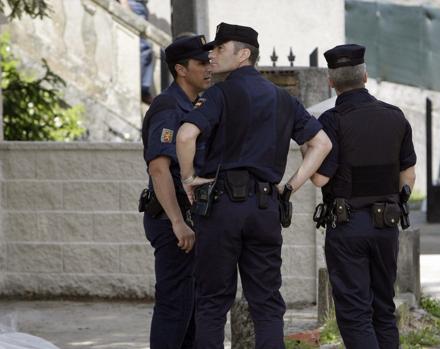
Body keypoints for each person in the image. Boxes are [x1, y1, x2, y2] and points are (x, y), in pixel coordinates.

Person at [175, 22, 332, 349]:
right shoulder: (282, 99)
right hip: (264, 208)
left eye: (219, 49)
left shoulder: (218, 94)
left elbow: (186, 135)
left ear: (243, 54)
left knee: (213, 302)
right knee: (266, 304)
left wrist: (188, 179)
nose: (212, 56)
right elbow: (321, 144)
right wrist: (290, 187)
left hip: (222, 209)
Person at [310, 44, 417, 349]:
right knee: (383, 308)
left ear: (331, 81)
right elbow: (408, 172)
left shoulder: (331, 121)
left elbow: (320, 177)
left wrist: (308, 149)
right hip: (387, 226)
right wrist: (397, 199)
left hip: (348, 228)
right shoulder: (395, 116)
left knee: (355, 315)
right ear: (365, 76)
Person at [139, 34, 213, 349]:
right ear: (181, 70)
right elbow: (158, 167)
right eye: (201, 62)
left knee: (192, 307)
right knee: (175, 305)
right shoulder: (168, 107)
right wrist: (178, 222)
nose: (209, 67)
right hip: (174, 220)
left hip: (188, 217)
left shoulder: (193, 104)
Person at [119, 0, 155, 104]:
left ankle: (141, 88)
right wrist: (124, 2)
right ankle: (140, 89)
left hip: (140, 7)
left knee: (144, 47)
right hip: (132, 5)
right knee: (144, 47)